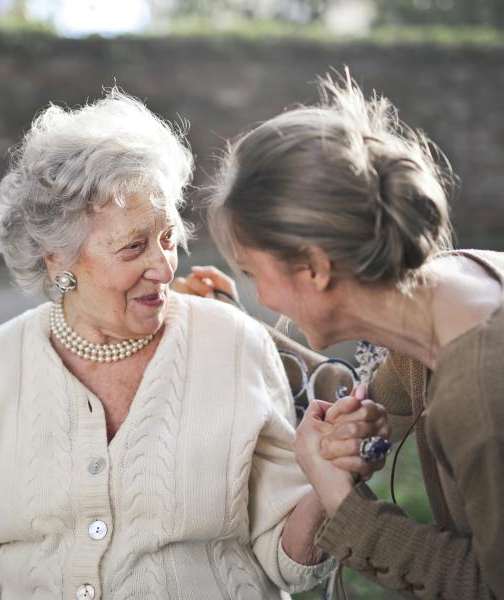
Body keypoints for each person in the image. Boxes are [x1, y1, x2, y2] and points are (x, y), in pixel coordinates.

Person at [0, 90, 387, 600]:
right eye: (134, 246)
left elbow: (288, 561)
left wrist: (326, 482)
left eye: (168, 238)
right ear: (57, 260)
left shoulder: (233, 343)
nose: (164, 266)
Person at [180, 72, 504, 599]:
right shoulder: (449, 291)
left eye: (253, 273)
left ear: (313, 268)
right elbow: (357, 394)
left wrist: (344, 505)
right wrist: (229, 323)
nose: (264, 296)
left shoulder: (482, 393)